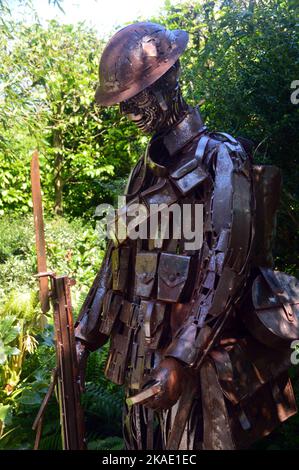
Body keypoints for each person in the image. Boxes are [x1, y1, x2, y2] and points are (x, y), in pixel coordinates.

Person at [74, 22, 298, 450]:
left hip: (200, 366)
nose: (129, 112)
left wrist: (181, 356)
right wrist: (84, 336)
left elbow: (226, 264)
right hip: (142, 360)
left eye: (137, 97)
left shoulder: (221, 155)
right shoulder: (142, 173)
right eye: (123, 103)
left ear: (170, 81)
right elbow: (117, 259)